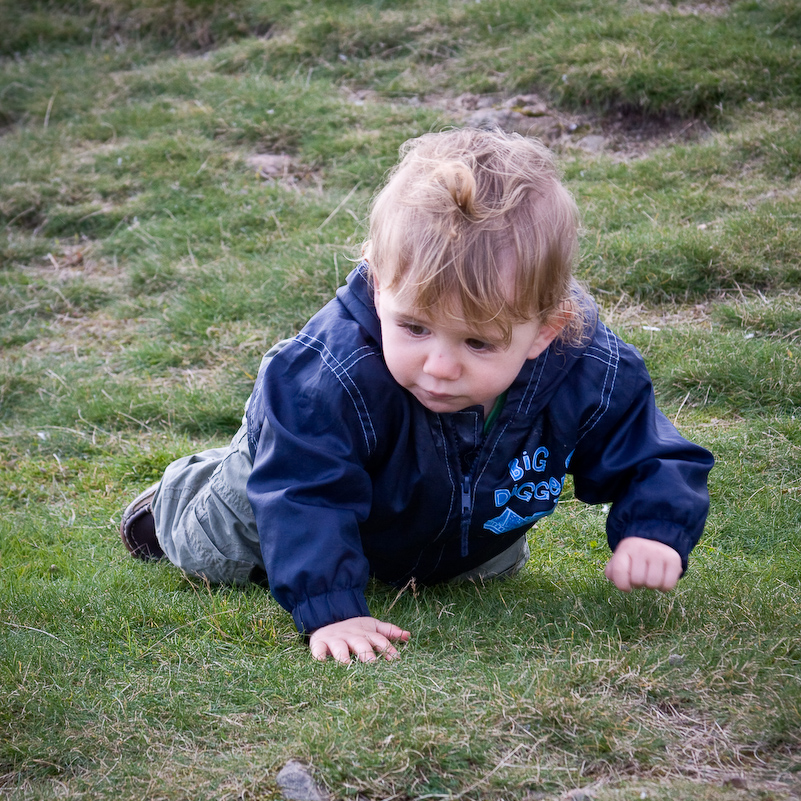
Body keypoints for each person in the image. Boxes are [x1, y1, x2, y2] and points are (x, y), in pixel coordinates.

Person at [120, 128, 714, 665]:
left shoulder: (588, 366)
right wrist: (333, 610)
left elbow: (651, 452)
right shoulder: (327, 375)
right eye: (414, 328)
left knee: (483, 571)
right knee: (222, 548)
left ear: (545, 332)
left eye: (479, 343)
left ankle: (395, 555)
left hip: (448, 523)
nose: (438, 367)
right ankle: (179, 499)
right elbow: (305, 492)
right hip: (287, 486)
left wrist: (654, 527)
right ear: (380, 285)